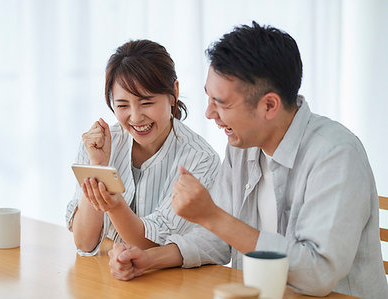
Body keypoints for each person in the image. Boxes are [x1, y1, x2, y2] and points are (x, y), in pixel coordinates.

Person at [107, 23, 388, 299]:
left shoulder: (335, 155)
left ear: (269, 105)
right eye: (209, 98)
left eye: (222, 103)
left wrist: (211, 215)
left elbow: (317, 275)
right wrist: (148, 259)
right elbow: (217, 240)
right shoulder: (243, 145)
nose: (209, 113)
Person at [66, 39, 220, 256]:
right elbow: (83, 242)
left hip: (174, 282)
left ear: (173, 93)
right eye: (122, 105)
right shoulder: (98, 145)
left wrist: (114, 205)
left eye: (147, 103)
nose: (136, 117)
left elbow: (151, 245)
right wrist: (98, 166)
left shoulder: (200, 158)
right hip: (112, 276)